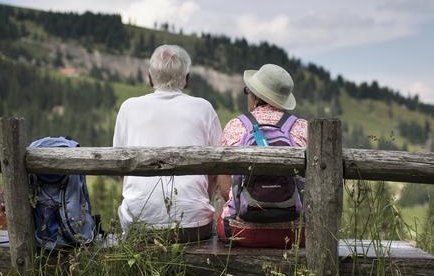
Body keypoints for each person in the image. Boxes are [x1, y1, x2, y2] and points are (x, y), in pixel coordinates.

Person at [113, 45, 222, 242]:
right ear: (187, 78)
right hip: (193, 224)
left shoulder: (128, 108)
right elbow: (216, 171)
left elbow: (120, 169)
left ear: (149, 77)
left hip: (138, 222)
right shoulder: (204, 108)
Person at [217, 64, 308, 248]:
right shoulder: (303, 128)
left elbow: (225, 188)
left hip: (240, 231)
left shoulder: (236, 126)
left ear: (255, 96)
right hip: (296, 233)